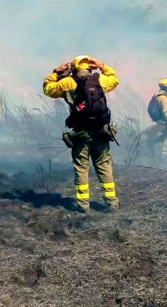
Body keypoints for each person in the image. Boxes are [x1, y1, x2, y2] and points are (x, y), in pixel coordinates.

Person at [43, 55, 120, 212]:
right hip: (101, 131)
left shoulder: (67, 82)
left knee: (81, 168)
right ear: (90, 67)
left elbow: (47, 89)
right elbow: (114, 78)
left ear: (74, 68)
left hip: (80, 133)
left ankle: (83, 206)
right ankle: (112, 203)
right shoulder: (101, 80)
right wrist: (102, 65)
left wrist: (56, 72)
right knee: (104, 166)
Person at [144, 78, 167, 159]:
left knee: (165, 136)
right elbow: (165, 111)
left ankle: (151, 141)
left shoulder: (156, 95)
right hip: (163, 122)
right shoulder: (163, 97)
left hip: (159, 120)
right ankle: (165, 157)